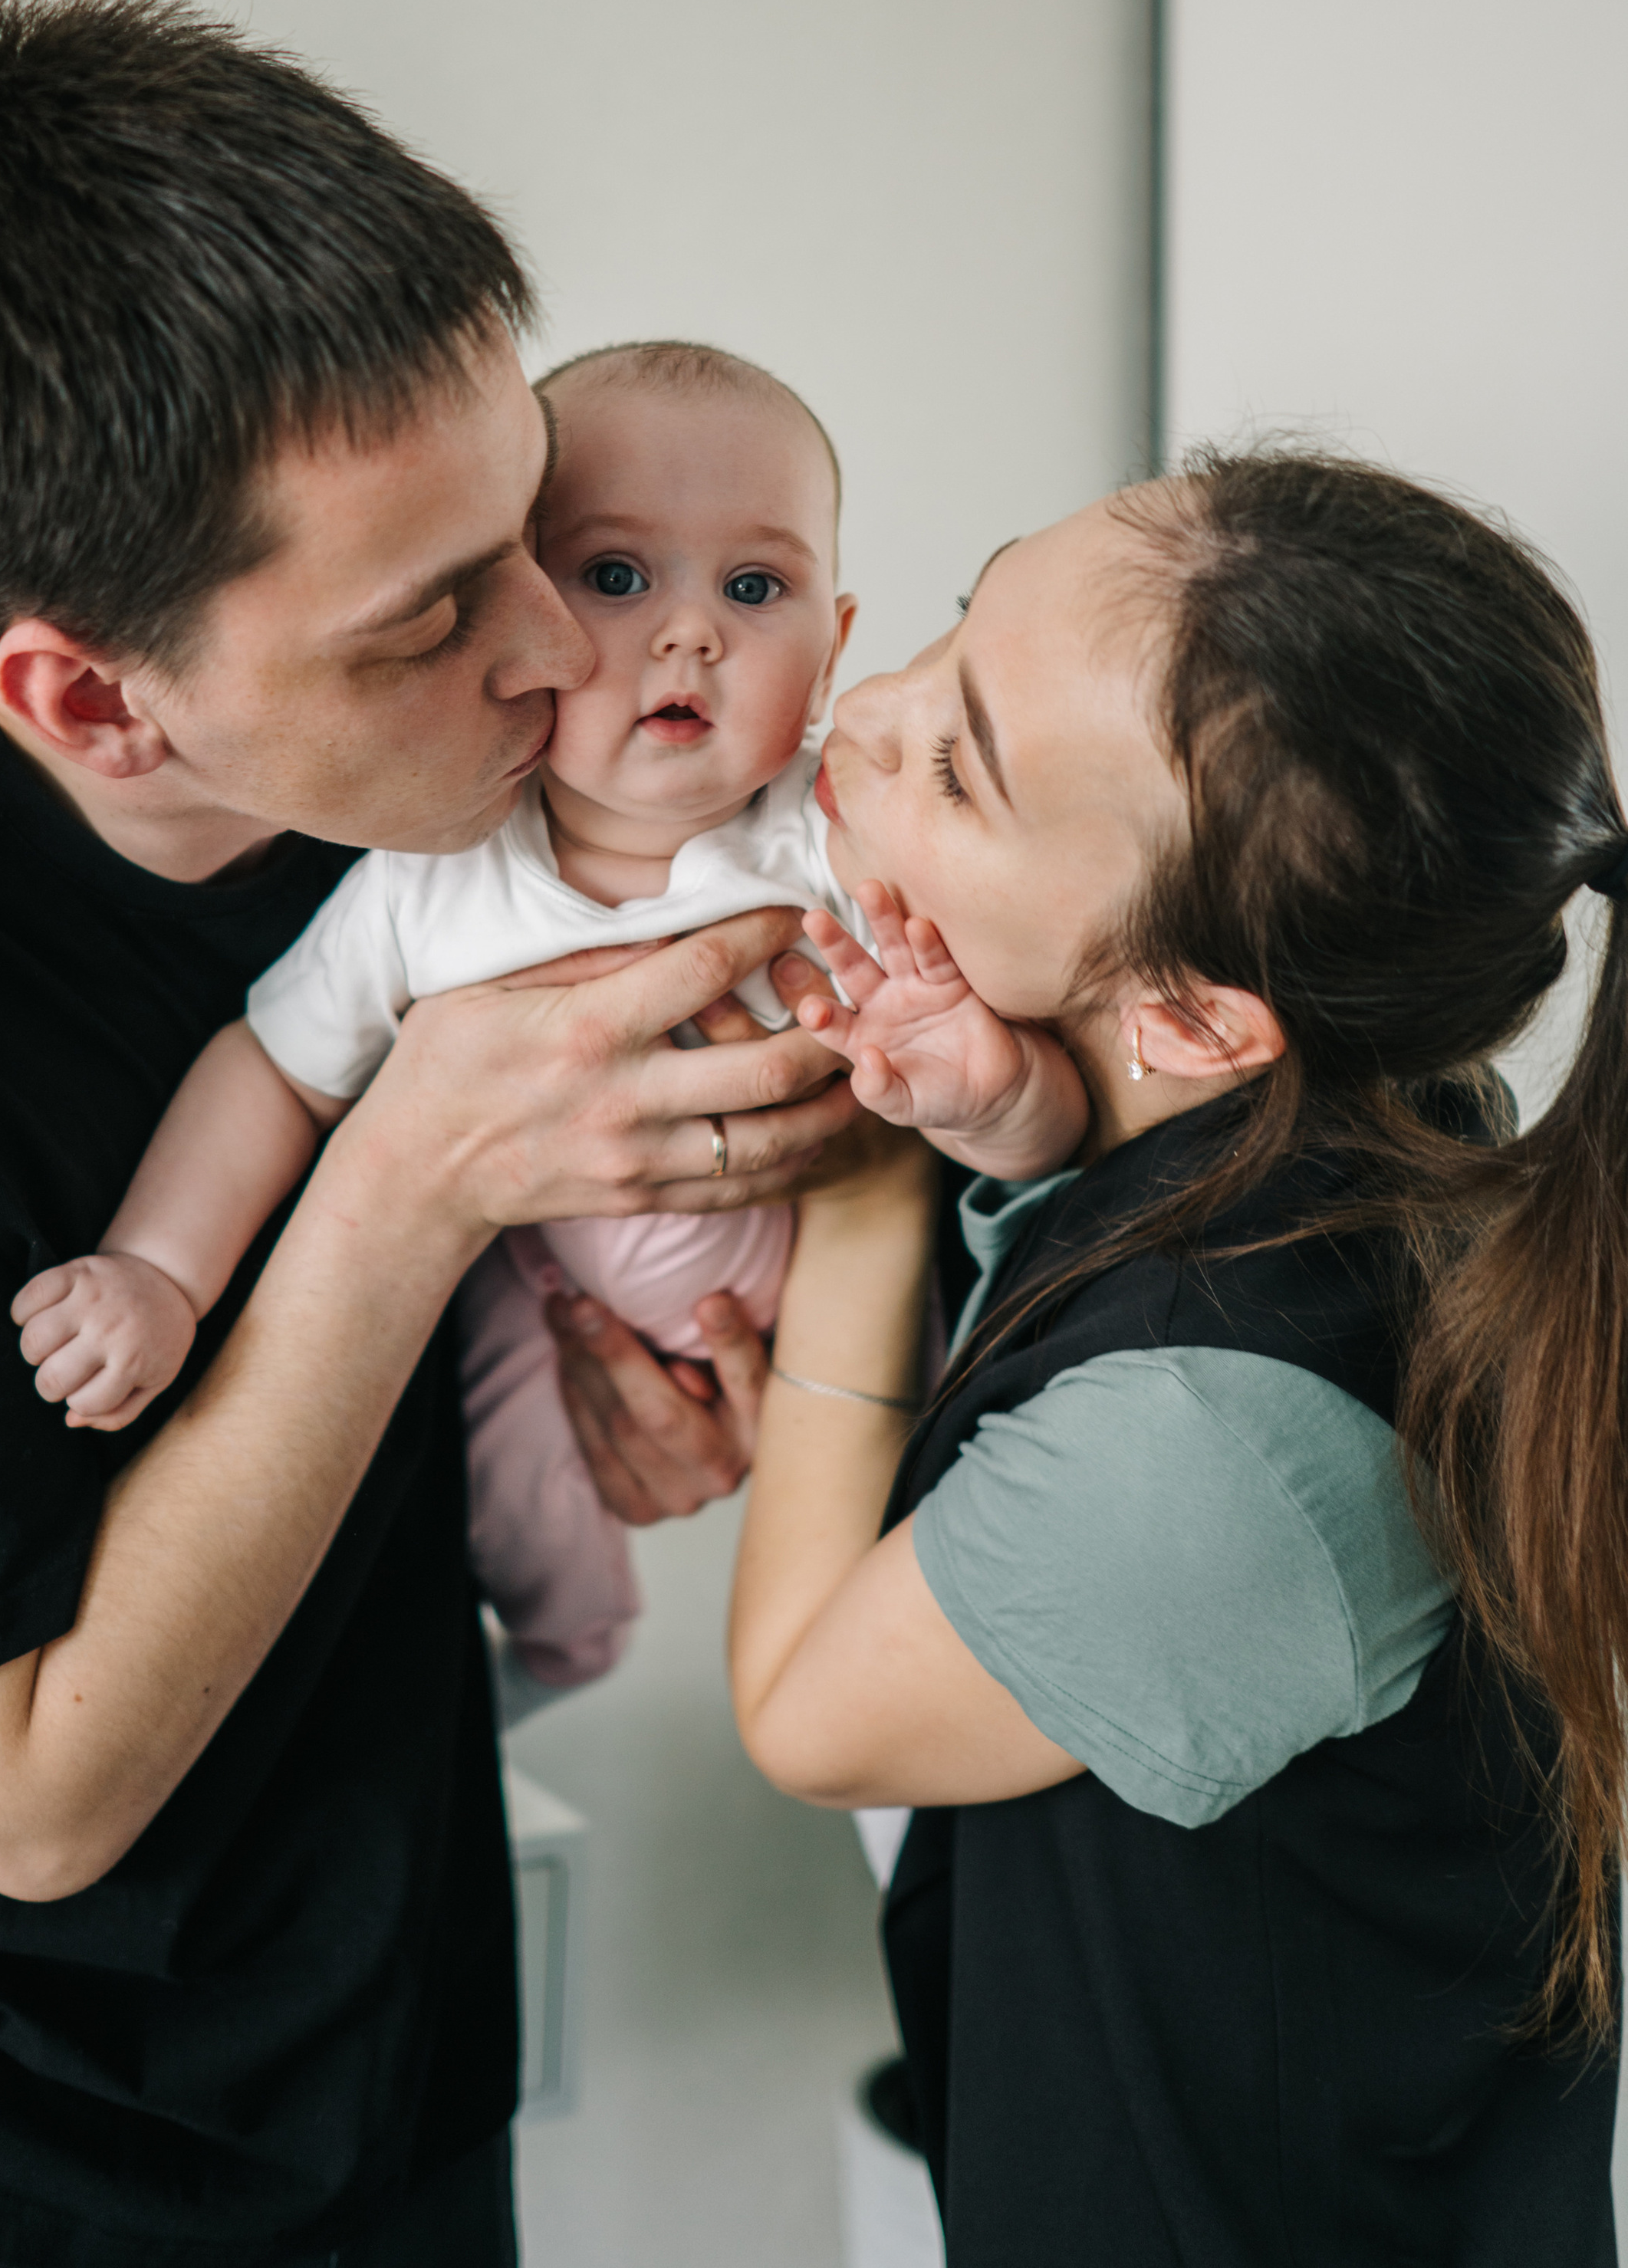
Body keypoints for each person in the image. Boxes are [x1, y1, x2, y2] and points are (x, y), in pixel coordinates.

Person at [0, 0, 857, 2268]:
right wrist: (417, 1174)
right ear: (92, 699)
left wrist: (641, 1395)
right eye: (433, 618)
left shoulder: (447, 807)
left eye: (542, 527)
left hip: (392, 2039)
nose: (558, 652)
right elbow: (24, 1804)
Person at [642, 449, 1622, 2265]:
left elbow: (806, 1713)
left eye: (956, 764)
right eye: (952, 627)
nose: (858, 710)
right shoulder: (1360, 1124)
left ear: (1187, 1014)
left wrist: (857, 1203)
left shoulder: (1219, 1442)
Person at [8, 342, 1086, 1701]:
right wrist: (162, 1271)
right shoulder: (430, 879)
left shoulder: (842, 841)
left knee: (920, 1534)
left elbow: (1042, 1124)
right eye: (617, 577)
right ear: (505, 618)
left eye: (756, 588)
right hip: (553, 1285)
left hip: (840, 1301)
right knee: (509, 1485)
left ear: (834, 651)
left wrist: (1001, 1103)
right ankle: (571, 1650)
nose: (691, 632)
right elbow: (272, 1071)